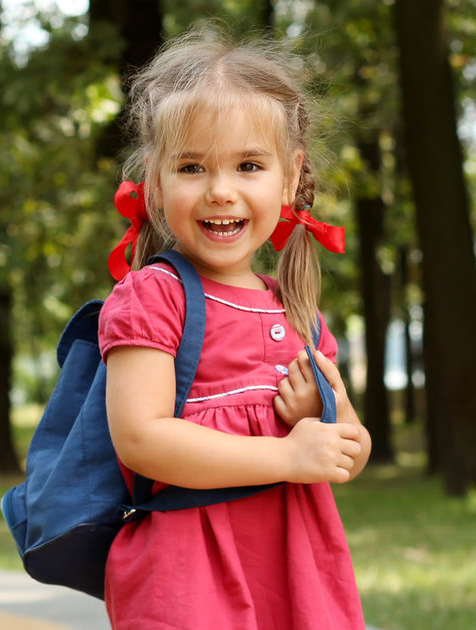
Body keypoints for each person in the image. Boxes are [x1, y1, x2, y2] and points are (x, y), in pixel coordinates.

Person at [98, 26, 372, 629]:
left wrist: (327, 420)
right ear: (157, 178)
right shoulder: (154, 296)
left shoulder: (296, 313)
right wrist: (287, 455)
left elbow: (348, 454)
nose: (221, 191)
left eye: (249, 165)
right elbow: (141, 440)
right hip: (189, 577)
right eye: (193, 167)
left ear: (291, 174)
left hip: (296, 573)